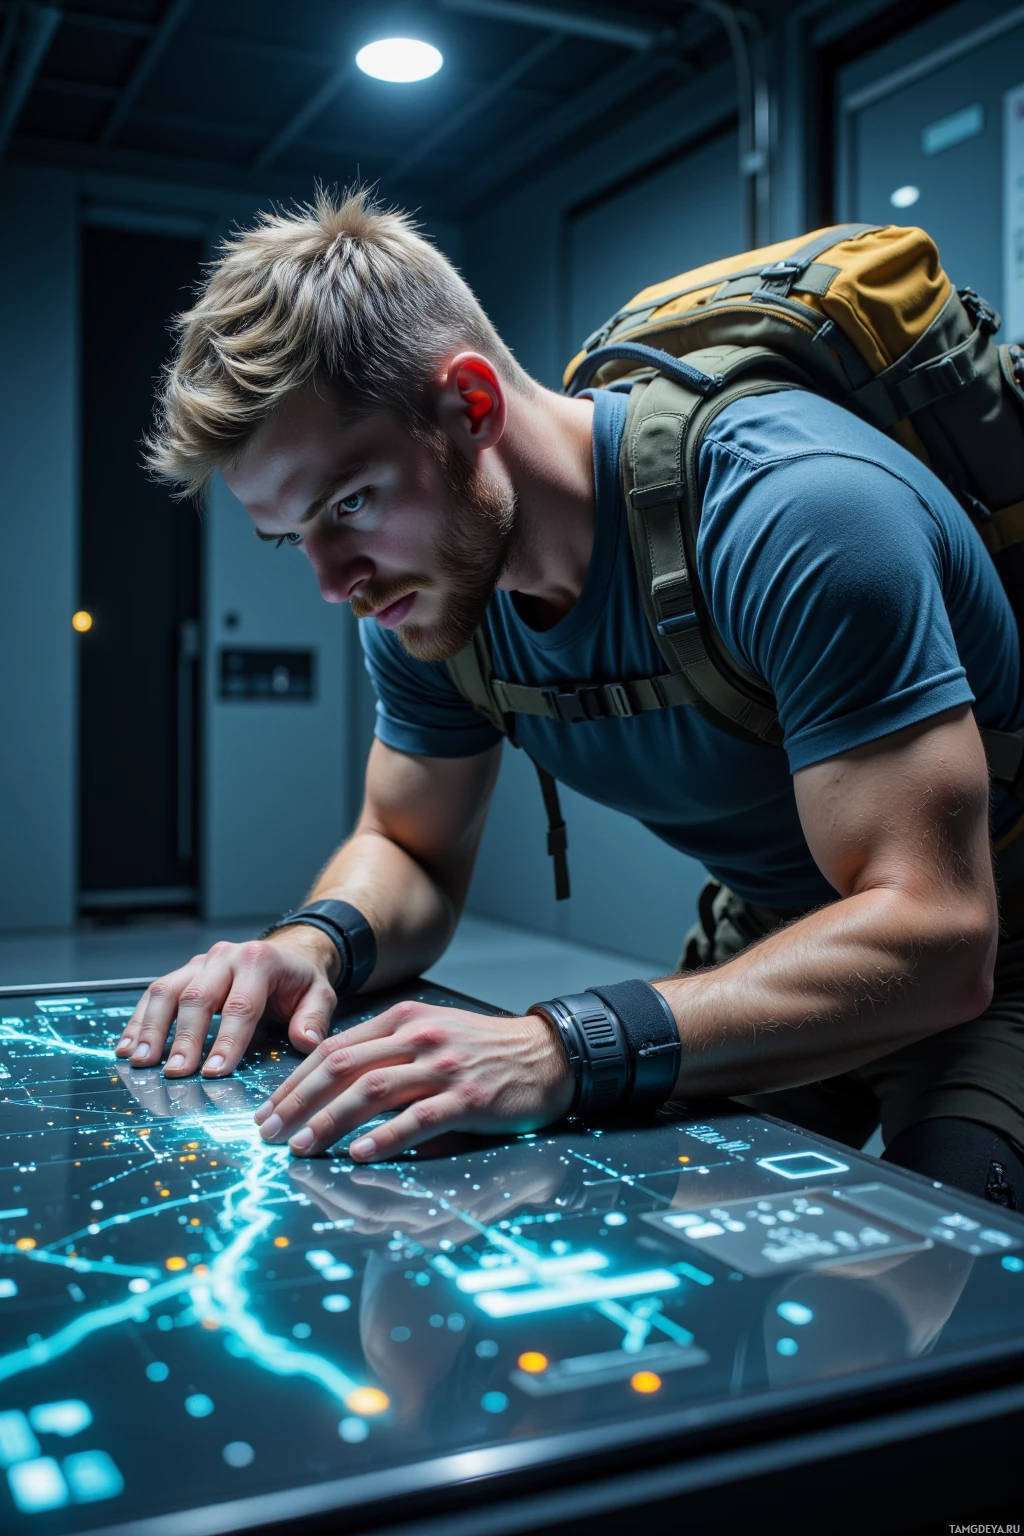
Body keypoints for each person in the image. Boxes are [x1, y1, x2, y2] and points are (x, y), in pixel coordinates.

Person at [122, 189, 1024, 1205]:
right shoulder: (427, 601)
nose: (335, 582)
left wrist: (561, 1045)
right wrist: (312, 943)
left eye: (350, 503)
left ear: (472, 405)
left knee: (942, 1270)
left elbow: (940, 934)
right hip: (777, 939)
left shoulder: (794, 514)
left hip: (992, 952)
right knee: (655, 1265)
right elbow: (409, 848)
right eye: (294, 537)